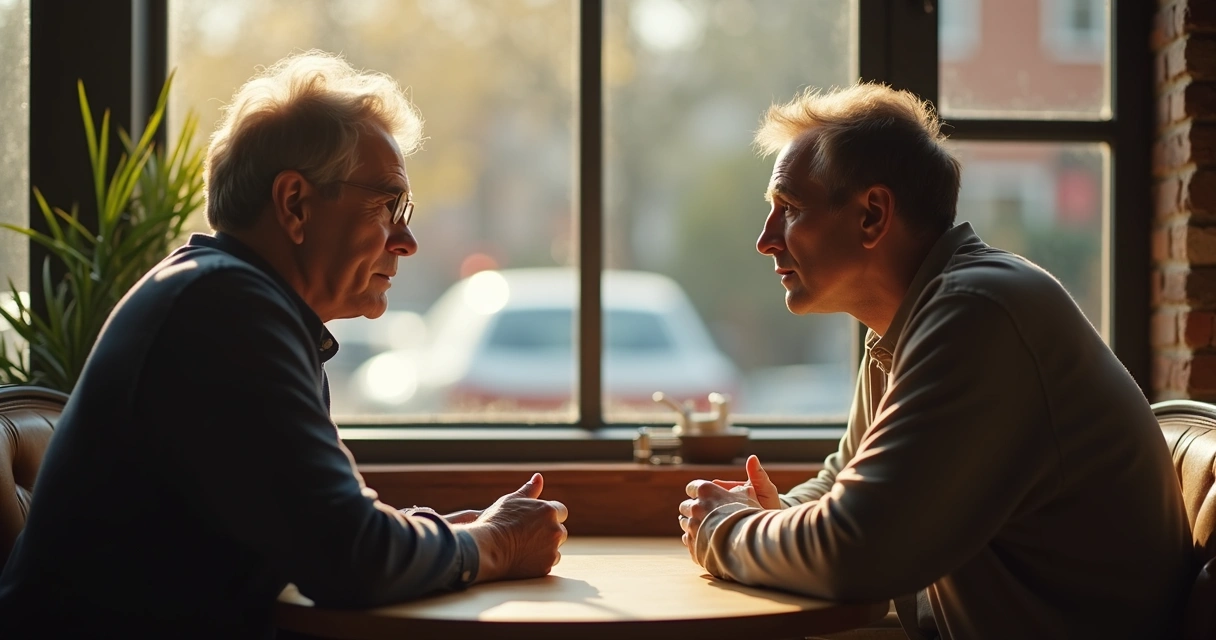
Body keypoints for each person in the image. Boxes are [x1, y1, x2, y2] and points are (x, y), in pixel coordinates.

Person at [0, 51, 567, 638]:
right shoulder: (226, 312)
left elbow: (316, 531)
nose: (408, 241)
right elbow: (350, 558)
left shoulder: (228, 298)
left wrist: (449, 536)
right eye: (389, 204)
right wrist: (493, 544)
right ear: (295, 203)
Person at [677, 82, 1195, 639]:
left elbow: (857, 548)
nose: (764, 239)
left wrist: (730, 530)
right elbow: (839, 488)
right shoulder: (908, 325)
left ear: (873, 215)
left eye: (790, 209)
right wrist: (770, 515)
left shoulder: (978, 313)